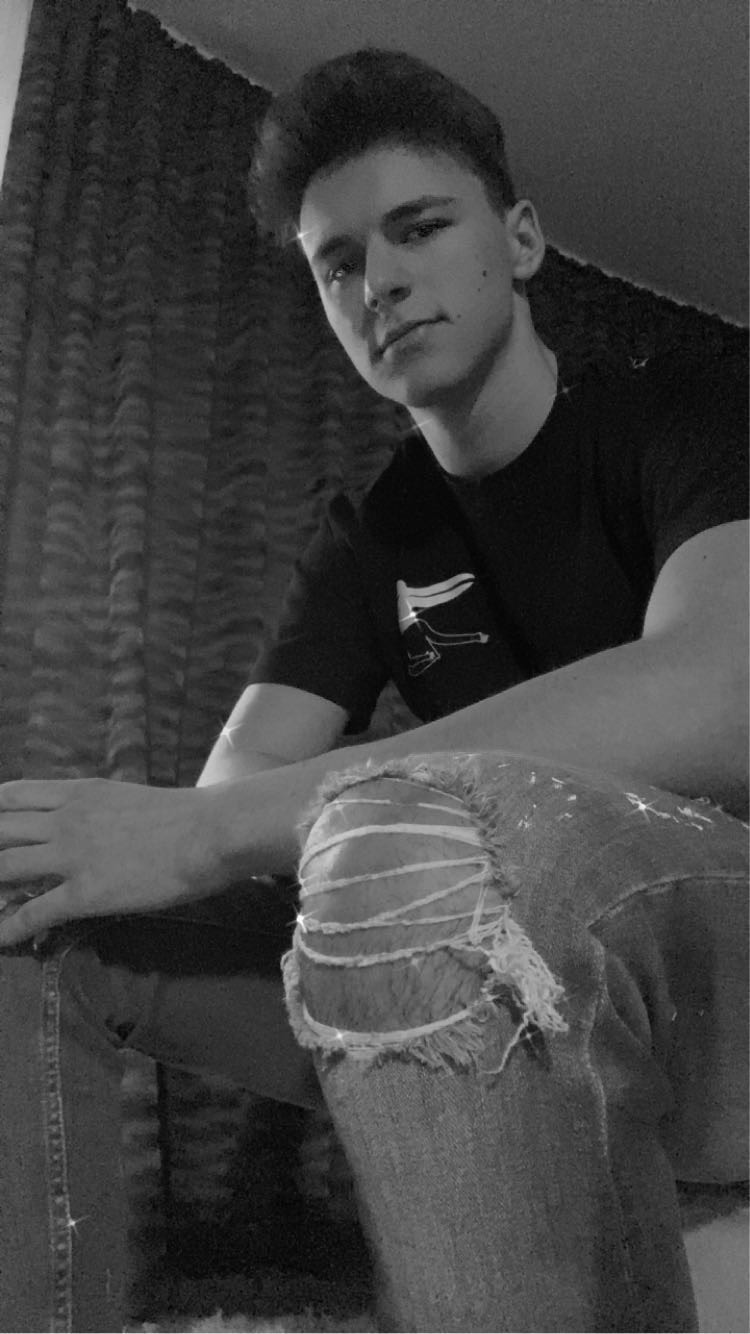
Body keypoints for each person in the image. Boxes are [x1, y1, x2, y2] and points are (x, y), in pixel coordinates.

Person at [0, 45, 747, 1333]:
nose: (380, 282)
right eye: (337, 264)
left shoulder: (682, 408)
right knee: (34, 915)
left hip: (715, 966)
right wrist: (186, 837)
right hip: (483, 943)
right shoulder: (374, 536)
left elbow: (722, 694)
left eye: (419, 228)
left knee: (410, 843)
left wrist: (244, 828)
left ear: (520, 240)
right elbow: (238, 796)